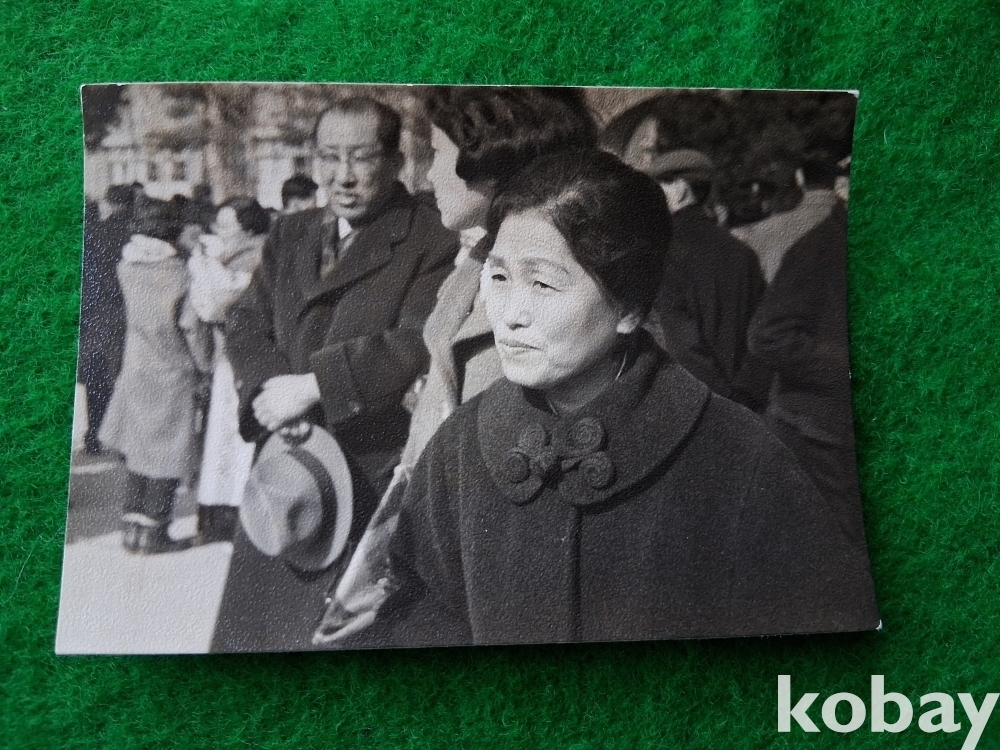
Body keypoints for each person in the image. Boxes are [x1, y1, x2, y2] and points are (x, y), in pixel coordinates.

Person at [381, 150, 879, 646]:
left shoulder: (738, 457)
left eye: (542, 283)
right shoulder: (460, 446)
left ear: (629, 308)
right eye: (498, 276)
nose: (510, 314)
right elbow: (420, 615)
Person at [314, 87, 597, 643]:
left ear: (489, 161)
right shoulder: (474, 266)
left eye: (439, 154)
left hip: (503, 577)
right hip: (444, 557)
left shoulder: (562, 283)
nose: (426, 174)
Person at [211, 97, 459, 652]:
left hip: (364, 470)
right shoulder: (291, 231)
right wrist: (269, 392)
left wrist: (315, 387)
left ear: (396, 162)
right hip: (287, 463)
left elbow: (418, 336)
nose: (342, 176)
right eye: (329, 157)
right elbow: (246, 321)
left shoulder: (432, 237)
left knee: (341, 642)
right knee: (257, 635)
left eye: (361, 158)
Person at [605, 98, 769, 410]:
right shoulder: (742, 253)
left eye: (658, 186)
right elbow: (761, 335)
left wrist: (722, 400)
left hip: (697, 404)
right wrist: (744, 397)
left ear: (681, 189)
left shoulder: (662, 252)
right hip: (745, 404)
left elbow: (682, 347)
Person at [98, 196, 211, 554]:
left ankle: (131, 529)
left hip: (135, 366)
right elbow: (191, 327)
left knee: (138, 450)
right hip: (172, 370)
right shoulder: (179, 273)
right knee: (168, 453)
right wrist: (205, 365)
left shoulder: (126, 266)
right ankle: (155, 533)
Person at [187, 197, 272, 544]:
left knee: (237, 441)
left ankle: (233, 520)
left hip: (246, 358)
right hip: (228, 358)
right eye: (218, 224)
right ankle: (221, 517)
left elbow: (212, 307)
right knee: (225, 440)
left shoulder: (257, 257)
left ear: (249, 229)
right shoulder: (232, 257)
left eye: (227, 226)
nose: (219, 232)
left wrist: (203, 265)